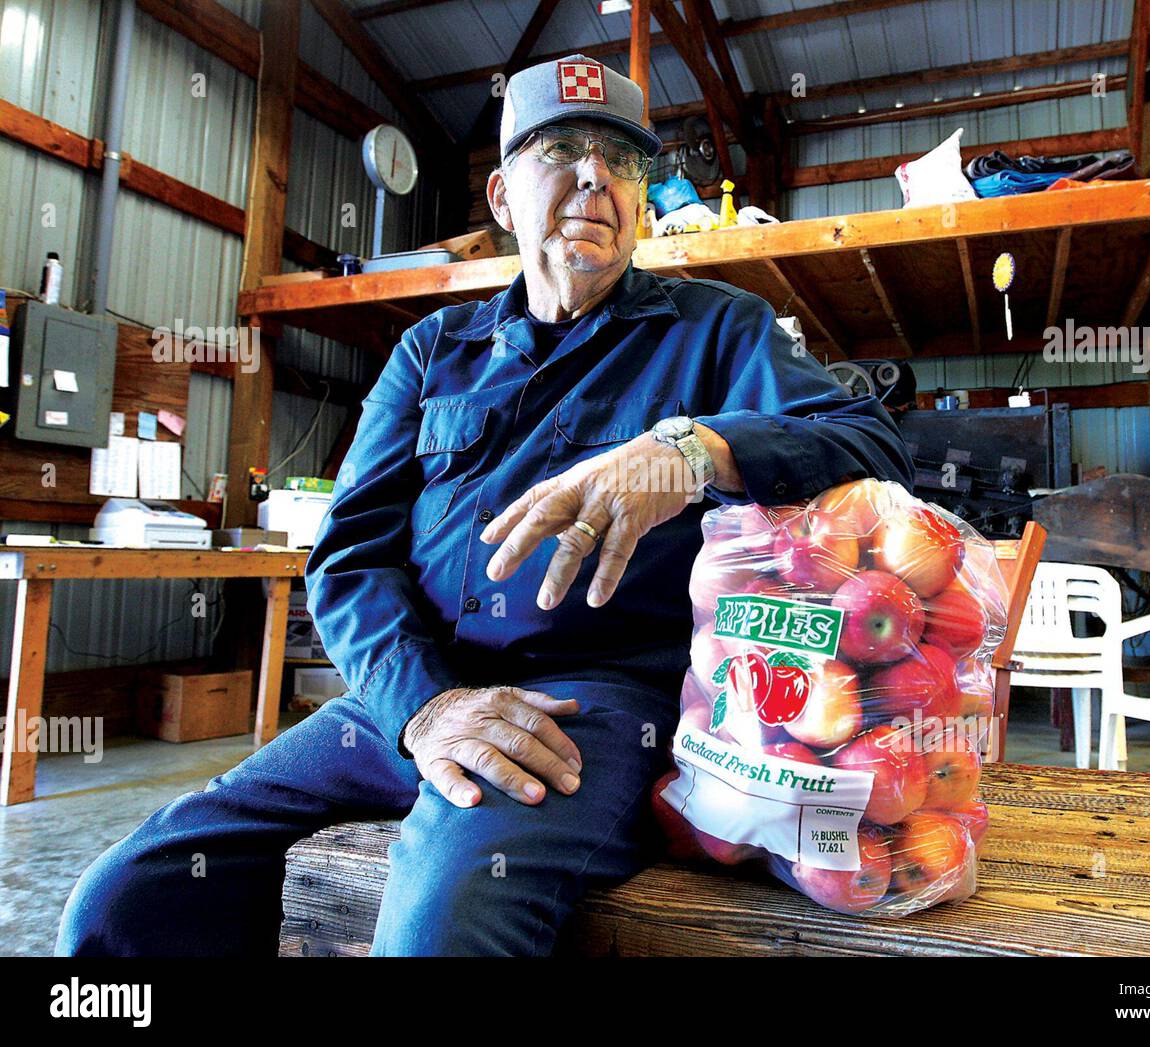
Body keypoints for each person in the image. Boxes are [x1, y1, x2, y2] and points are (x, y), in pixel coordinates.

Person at [56, 54, 913, 957]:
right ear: (503, 197)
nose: (597, 177)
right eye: (564, 149)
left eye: (624, 162)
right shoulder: (432, 351)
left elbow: (871, 439)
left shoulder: (717, 331)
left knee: (444, 925)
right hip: (414, 695)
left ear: (643, 201)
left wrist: (695, 447)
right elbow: (349, 558)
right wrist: (422, 709)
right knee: (125, 900)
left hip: (596, 707)